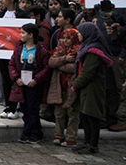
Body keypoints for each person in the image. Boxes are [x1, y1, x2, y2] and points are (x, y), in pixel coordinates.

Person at [72, 22, 114, 154]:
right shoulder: (86, 47)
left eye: (80, 32)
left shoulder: (93, 51)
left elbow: (88, 72)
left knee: (91, 115)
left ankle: (93, 144)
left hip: (92, 88)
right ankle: (86, 142)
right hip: (85, 88)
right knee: (84, 115)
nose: (78, 35)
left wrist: (76, 84)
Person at [9, 23, 51, 144]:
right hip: (21, 84)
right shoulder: (19, 49)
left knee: (33, 109)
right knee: (24, 109)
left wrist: (36, 79)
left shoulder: (41, 50)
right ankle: (26, 131)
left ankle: (36, 133)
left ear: (31, 35)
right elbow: (12, 64)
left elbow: (46, 68)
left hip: (34, 85)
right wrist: (16, 78)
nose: (20, 35)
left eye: (23, 33)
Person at [0, 0, 30, 120]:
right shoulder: (0, 15)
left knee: (14, 79)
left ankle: (16, 106)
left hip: (17, 54)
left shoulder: (23, 15)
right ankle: (8, 105)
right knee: (5, 80)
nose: (1, 0)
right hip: (2, 53)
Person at [48, 26, 80, 147]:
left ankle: (71, 137)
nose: (65, 41)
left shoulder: (79, 50)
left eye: (68, 38)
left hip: (72, 85)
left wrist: (60, 66)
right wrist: (65, 59)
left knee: (73, 112)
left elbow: (76, 67)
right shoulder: (60, 50)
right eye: (64, 38)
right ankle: (58, 135)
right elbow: (51, 62)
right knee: (59, 112)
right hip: (59, 85)